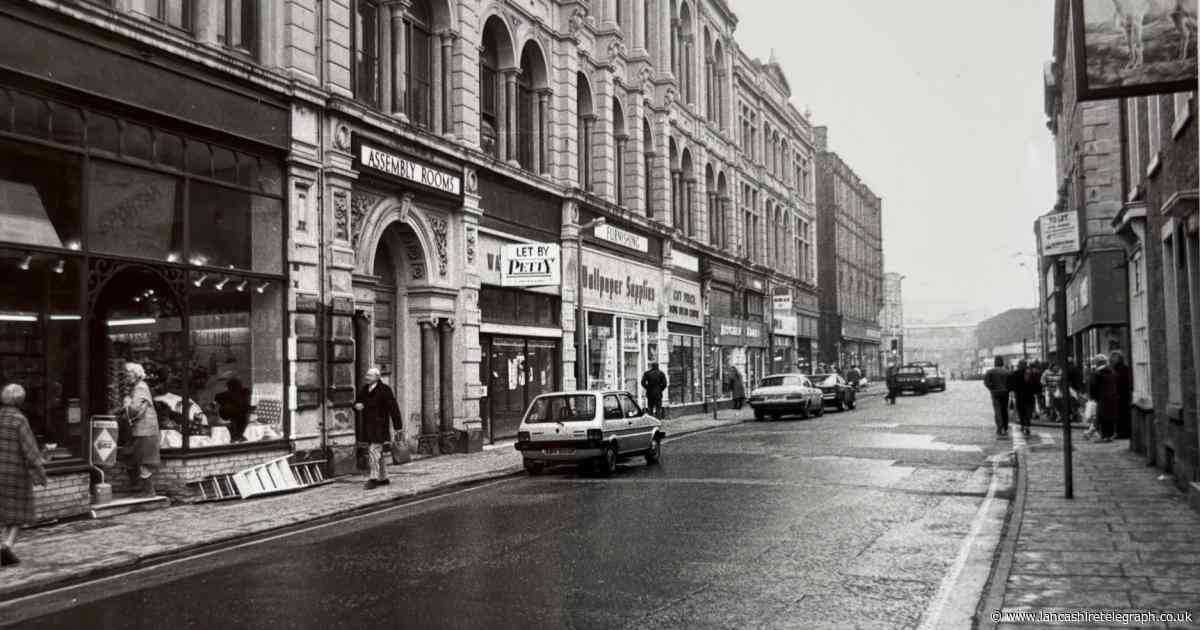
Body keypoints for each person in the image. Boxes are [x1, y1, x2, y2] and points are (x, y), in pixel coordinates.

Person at [0, 384, 47, 567]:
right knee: (18, 514)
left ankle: (4, 547)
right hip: (15, 474)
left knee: (4, 512)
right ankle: (6, 546)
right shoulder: (19, 420)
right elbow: (30, 451)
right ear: (20, 400)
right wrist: (40, 475)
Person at [353, 367, 402, 490]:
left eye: (369, 376)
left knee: (373, 451)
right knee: (377, 452)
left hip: (380, 427)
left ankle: (373, 478)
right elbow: (357, 402)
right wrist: (356, 406)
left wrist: (398, 427)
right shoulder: (365, 389)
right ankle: (383, 477)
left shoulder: (385, 390)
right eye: (367, 375)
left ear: (377, 377)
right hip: (367, 426)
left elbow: (394, 409)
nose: (366, 377)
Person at [118, 362, 159, 497]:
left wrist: (126, 404)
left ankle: (148, 491)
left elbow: (135, 410)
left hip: (145, 430)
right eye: (126, 375)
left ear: (136, 375)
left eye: (129, 375)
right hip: (144, 430)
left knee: (141, 459)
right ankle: (140, 487)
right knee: (133, 458)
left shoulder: (140, 387)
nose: (127, 377)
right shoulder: (138, 387)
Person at [1087, 354, 1120, 443]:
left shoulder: (1097, 373)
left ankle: (1104, 436)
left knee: (1102, 417)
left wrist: (1093, 397)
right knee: (1110, 417)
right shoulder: (1112, 372)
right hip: (1112, 397)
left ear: (1097, 363)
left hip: (1102, 398)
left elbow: (1093, 386)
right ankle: (1109, 435)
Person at [214, 378, 251, 442]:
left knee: (240, 416)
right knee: (236, 414)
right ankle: (237, 435)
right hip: (231, 415)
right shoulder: (225, 395)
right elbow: (216, 400)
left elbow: (244, 404)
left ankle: (237, 435)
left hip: (239, 414)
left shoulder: (243, 393)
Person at [983, 357, 1011, 437]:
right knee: (1004, 410)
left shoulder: (990, 372)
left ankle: (999, 427)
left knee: (997, 410)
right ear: (1002, 362)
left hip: (995, 393)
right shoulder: (1007, 372)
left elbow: (986, 383)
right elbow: (1011, 383)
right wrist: (1008, 389)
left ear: (995, 362)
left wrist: (991, 388)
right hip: (1005, 393)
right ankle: (1005, 427)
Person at [1008, 360, 1037, 436]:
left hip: (1019, 396)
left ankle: (1023, 425)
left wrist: (1011, 391)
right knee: (1028, 411)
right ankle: (1027, 425)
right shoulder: (1031, 373)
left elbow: (1011, 384)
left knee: (1021, 411)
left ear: (1019, 365)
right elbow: (1036, 384)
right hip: (1029, 395)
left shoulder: (1015, 373)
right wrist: (1035, 391)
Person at [1110, 350, 1133, 439]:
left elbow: (1120, 382)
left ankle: (1123, 433)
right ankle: (1121, 433)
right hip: (1121, 395)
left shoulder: (1120, 370)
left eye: (1113, 359)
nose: (1111, 360)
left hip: (1122, 396)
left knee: (1122, 415)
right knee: (1121, 415)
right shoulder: (1120, 369)